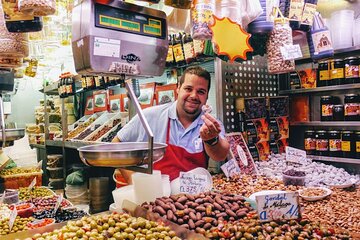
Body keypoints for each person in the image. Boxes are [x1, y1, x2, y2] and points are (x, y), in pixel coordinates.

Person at [112, 66, 230, 181]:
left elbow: (220, 155)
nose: (194, 96)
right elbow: (116, 143)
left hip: (194, 198)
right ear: (178, 89)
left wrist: (211, 140)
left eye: (201, 91)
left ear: (207, 96)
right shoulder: (150, 116)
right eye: (188, 89)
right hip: (155, 197)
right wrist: (133, 180)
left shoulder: (211, 124)